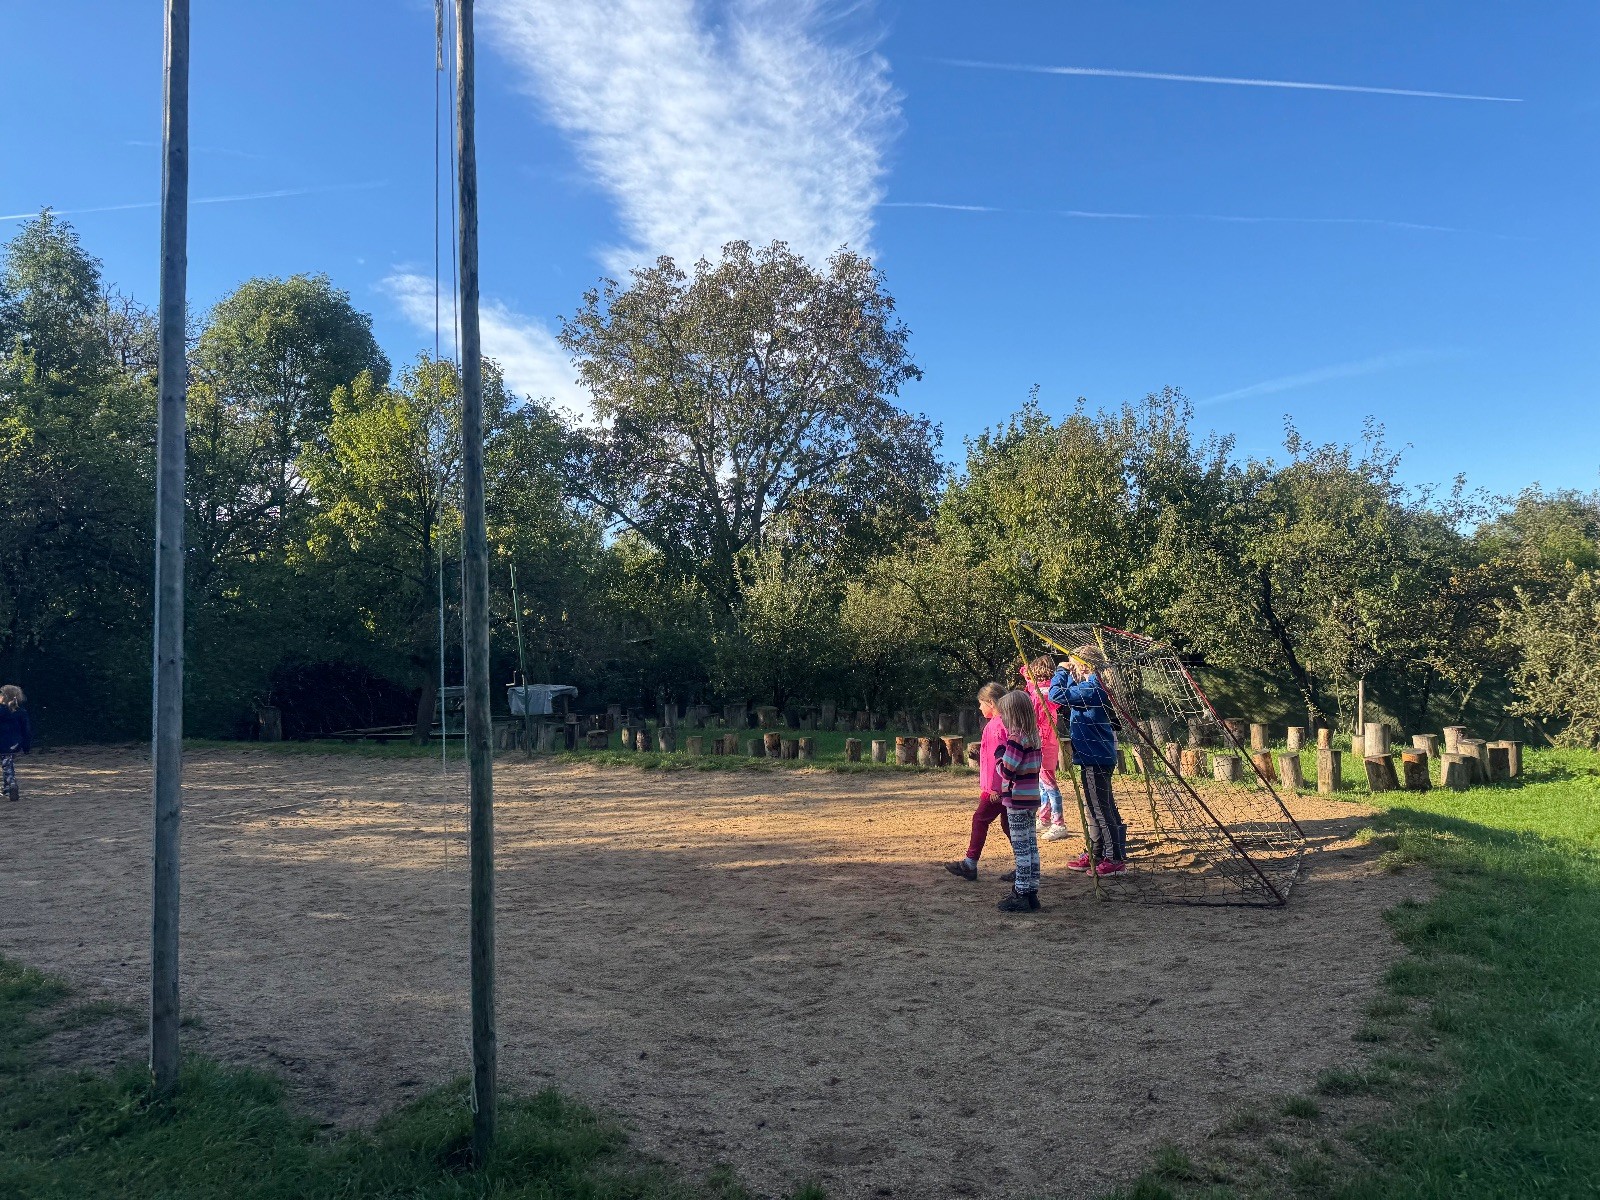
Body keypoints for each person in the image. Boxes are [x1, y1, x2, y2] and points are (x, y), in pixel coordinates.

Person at [1049, 645, 1126, 874]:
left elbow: (1057, 695)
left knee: (1100, 809)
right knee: (1093, 808)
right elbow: (1068, 694)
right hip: (1090, 756)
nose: (1071, 668)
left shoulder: (1093, 688)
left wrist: (1061, 671)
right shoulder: (1088, 686)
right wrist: (1069, 673)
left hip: (1096, 758)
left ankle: (1114, 859)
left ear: (1083, 666)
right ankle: (1096, 852)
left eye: (1074, 664)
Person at [945, 683, 1011, 881]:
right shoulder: (1005, 723)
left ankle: (970, 863)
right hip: (1007, 786)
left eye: (981, 703)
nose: (979, 708)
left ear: (991, 702)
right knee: (1010, 825)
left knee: (980, 819)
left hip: (997, 788)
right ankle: (1026, 865)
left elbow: (998, 760)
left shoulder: (996, 726)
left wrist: (994, 788)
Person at [993, 689, 1044, 911]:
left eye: (1004, 714)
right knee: (1031, 846)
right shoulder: (1034, 737)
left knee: (1022, 848)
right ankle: (1032, 891)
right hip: (1031, 799)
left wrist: (998, 756)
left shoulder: (1016, 739)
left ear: (1012, 714)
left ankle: (1021, 893)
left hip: (1017, 800)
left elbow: (1007, 771)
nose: (1002, 719)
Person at [1020, 654, 1070, 840]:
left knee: (1049, 783)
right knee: (1042, 782)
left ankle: (1059, 823)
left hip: (1043, 744)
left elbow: (1034, 719)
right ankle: (1045, 817)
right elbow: (1027, 677)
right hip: (1047, 743)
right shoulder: (1046, 689)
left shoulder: (1041, 695)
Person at [1, 684, 31, 803]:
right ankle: (9, 785)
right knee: (8, 764)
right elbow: (26, 731)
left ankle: (9, 787)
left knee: (6, 764)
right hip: (13, 743)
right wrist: (26, 746)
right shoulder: (21, 712)